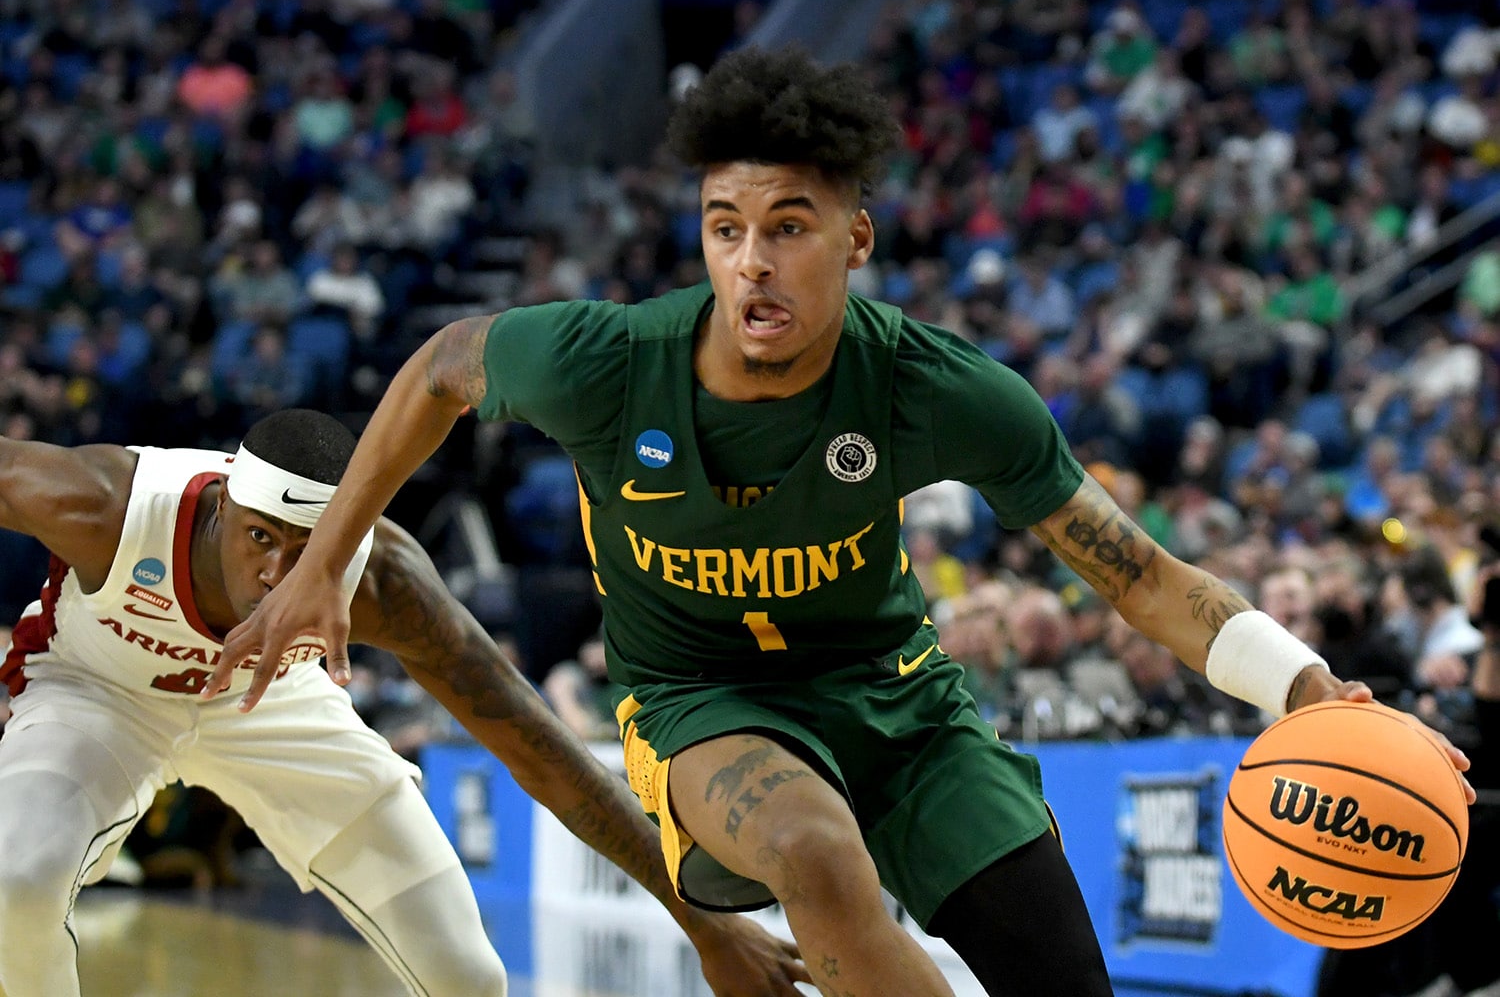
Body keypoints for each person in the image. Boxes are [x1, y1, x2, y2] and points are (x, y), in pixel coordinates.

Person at [212, 48, 1474, 997]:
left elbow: (1135, 573)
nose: (751, 261)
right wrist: (328, 562)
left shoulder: (939, 387)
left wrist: (1301, 681)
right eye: (725, 229)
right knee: (813, 848)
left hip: (902, 703)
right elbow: (439, 365)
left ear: (855, 238)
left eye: (789, 227)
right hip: (704, 703)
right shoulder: (603, 361)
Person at [0, 408, 807, 997]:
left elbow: (539, 747)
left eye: (310, 549)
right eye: (259, 539)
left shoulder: (383, 581)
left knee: (468, 975)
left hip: (274, 704)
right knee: (16, 881)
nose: (283, 576)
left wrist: (703, 920)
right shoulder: (107, 505)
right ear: (221, 508)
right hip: (99, 691)